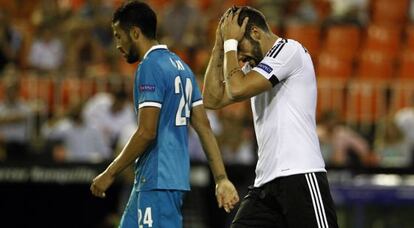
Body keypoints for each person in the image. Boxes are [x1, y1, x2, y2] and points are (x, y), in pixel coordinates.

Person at [89, 2, 239, 228]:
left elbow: (147, 131)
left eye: (119, 36)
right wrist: (221, 178)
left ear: (135, 33)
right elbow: (204, 126)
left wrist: (110, 173)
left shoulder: (149, 66)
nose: (117, 44)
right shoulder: (183, 68)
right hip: (157, 179)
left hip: (158, 181)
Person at [203, 6, 339, 227]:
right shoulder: (253, 67)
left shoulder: (288, 50)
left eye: (239, 45)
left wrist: (229, 44)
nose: (238, 57)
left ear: (256, 33)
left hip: (301, 175)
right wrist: (220, 46)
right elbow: (211, 99)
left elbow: (237, 89)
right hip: (265, 182)